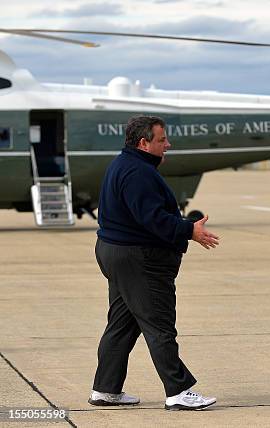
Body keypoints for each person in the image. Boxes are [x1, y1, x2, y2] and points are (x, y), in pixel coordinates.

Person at [89, 115, 220, 411]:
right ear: (143, 142)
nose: (167, 145)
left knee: (122, 324)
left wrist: (184, 227)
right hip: (137, 259)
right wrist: (190, 230)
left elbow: (144, 215)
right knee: (159, 323)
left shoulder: (125, 163)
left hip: (116, 252)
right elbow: (151, 219)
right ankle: (178, 391)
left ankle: (105, 389)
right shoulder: (137, 173)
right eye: (162, 140)